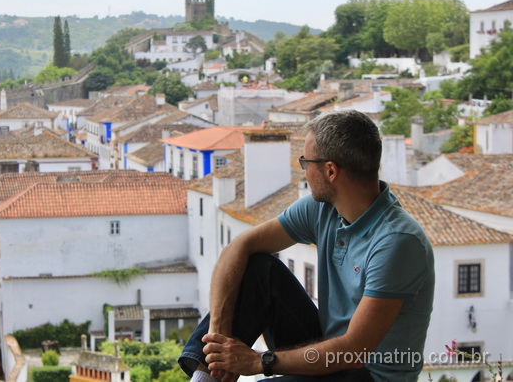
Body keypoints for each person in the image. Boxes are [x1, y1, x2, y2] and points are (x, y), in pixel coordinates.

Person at [178, 110, 435, 382]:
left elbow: (354, 351)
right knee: (259, 268)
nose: (304, 170)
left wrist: (257, 361)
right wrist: (218, 335)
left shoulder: (397, 241)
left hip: (368, 374)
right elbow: (240, 246)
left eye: (305, 161)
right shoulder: (324, 209)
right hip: (328, 349)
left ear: (331, 170)